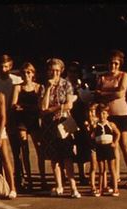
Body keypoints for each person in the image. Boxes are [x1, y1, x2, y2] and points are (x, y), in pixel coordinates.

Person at [40, 57, 80, 198]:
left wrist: (55, 108)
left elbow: (69, 105)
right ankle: (59, 185)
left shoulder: (66, 84)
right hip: (49, 125)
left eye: (57, 70)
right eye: (52, 70)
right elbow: (43, 107)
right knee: (54, 157)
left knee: (67, 156)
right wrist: (49, 88)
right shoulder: (44, 86)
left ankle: (73, 186)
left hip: (63, 123)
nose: (55, 73)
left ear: (61, 71)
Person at [95, 50, 127, 186]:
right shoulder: (102, 77)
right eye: (111, 63)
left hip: (122, 113)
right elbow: (97, 95)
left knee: (125, 143)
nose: (113, 66)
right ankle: (116, 176)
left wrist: (104, 93)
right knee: (113, 146)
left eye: (116, 63)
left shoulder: (124, 75)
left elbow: (121, 93)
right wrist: (109, 93)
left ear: (120, 64)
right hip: (108, 115)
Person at [10, 62, 44, 190]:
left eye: (29, 72)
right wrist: (20, 107)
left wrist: (24, 107)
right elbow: (14, 104)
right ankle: (28, 178)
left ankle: (42, 178)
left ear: (33, 73)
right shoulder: (18, 87)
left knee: (39, 149)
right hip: (22, 121)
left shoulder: (38, 87)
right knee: (25, 150)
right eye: (24, 73)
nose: (26, 75)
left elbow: (40, 106)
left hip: (34, 121)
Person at [0, 54, 24, 189]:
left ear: (10, 66)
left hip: (13, 118)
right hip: (0, 119)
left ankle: (19, 178)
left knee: (17, 151)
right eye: (1, 66)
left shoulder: (16, 80)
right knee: (1, 151)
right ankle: (1, 180)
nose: (3, 69)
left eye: (6, 66)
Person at [93, 103, 121, 197]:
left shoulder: (110, 124)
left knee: (112, 168)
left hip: (109, 147)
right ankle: (100, 188)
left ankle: (116, 188)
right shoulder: (96, 125)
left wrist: (115, 142)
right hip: (100, 147)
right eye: (100, 113)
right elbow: (92, 135)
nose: (102, 116)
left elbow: (118, 133)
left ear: (107, 114)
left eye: (104, 113)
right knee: (101, 169)